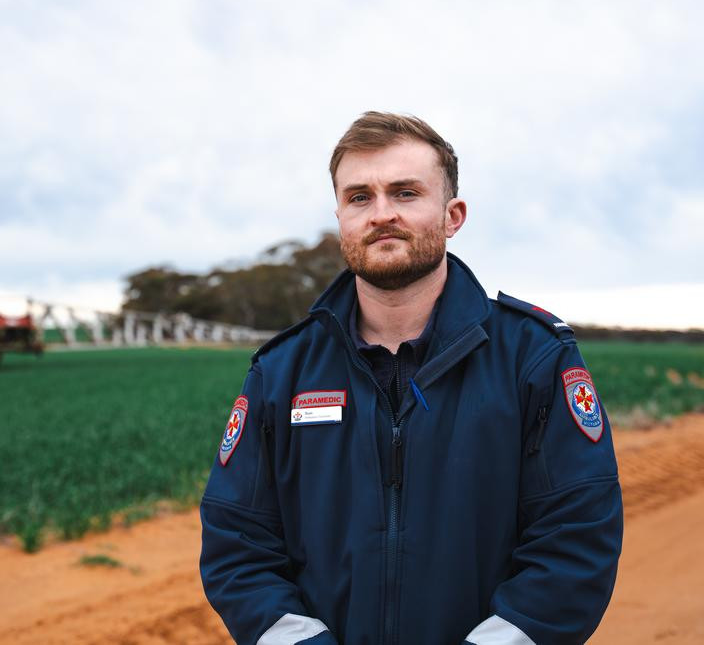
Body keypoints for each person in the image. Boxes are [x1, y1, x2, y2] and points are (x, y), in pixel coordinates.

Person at [199, 112, 622, 645]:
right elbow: (238, 544)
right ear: (340, 218)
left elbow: (575, 541)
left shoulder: (534, 358)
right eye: (359, 197)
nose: (381, 215)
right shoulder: (280, 372)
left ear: (452, 216)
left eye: (404, 193)